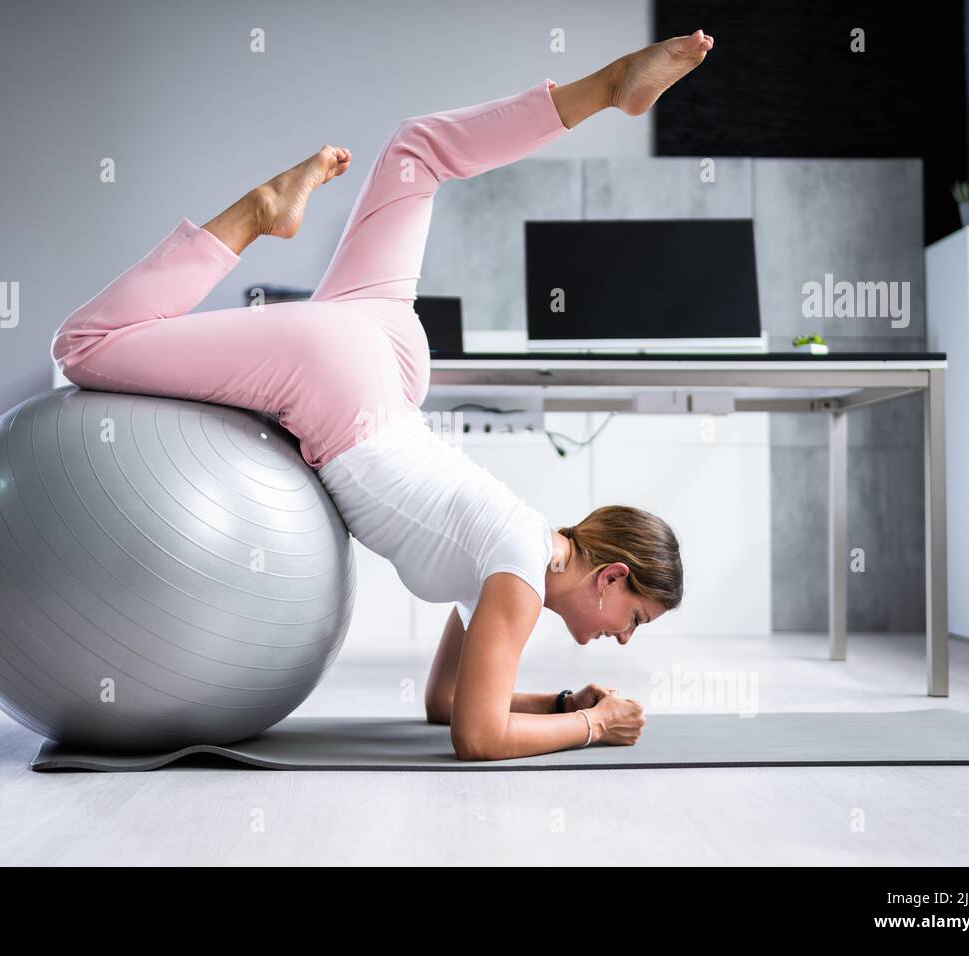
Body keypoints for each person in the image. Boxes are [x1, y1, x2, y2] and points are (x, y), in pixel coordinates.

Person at [52, 30, 715, 760]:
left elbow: (446, 705)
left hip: (385, 363)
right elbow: (477, 738)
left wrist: (562, 703)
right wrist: (595, 727)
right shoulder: (520, 575)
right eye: (635, 618)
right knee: (84, 348)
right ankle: (258, 208)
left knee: (416, 150)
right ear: (612, 576)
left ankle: (609, 85)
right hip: (344, 390)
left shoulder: (516, 555)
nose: (622, 637)